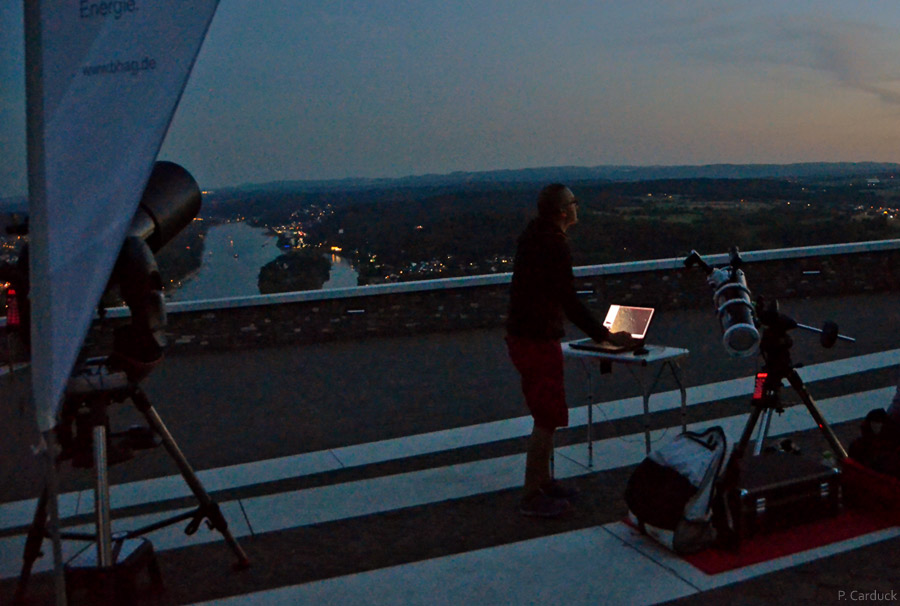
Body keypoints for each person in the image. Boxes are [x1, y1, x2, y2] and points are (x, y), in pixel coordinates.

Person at [506, 183, 635, 518]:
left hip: (525, 336)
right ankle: (532, 495)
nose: (578, 206)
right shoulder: (553, 244)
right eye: (573, 202)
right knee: (546, 417)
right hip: (536, 339)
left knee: (546, 412)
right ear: (562, 211)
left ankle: (545, 481)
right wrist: (605, 336)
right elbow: (569, 300)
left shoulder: (534, 236)